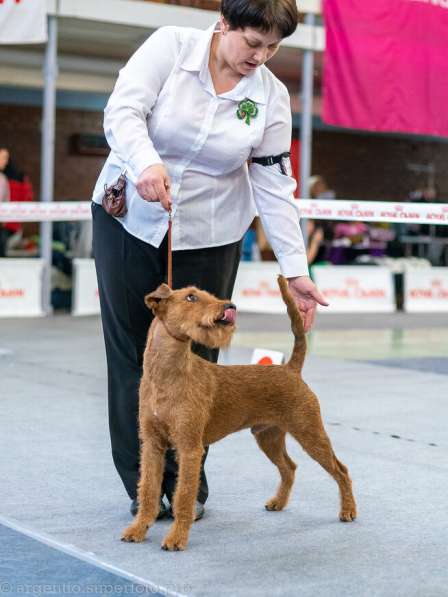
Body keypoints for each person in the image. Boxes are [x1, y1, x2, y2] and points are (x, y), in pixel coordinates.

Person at [91, 0, 328, 520]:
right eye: (252, 42)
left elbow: (273, 182)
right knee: (135, 353)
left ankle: (186, 487)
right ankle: (143, 486)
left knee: (202, 359)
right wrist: (146, 163)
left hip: (213, 231)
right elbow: (122, 112)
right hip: (130, 212)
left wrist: (295, 270)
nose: (260, 56)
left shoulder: (271, 96)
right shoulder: (169, 47)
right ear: (224, 24)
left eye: (272, 47)